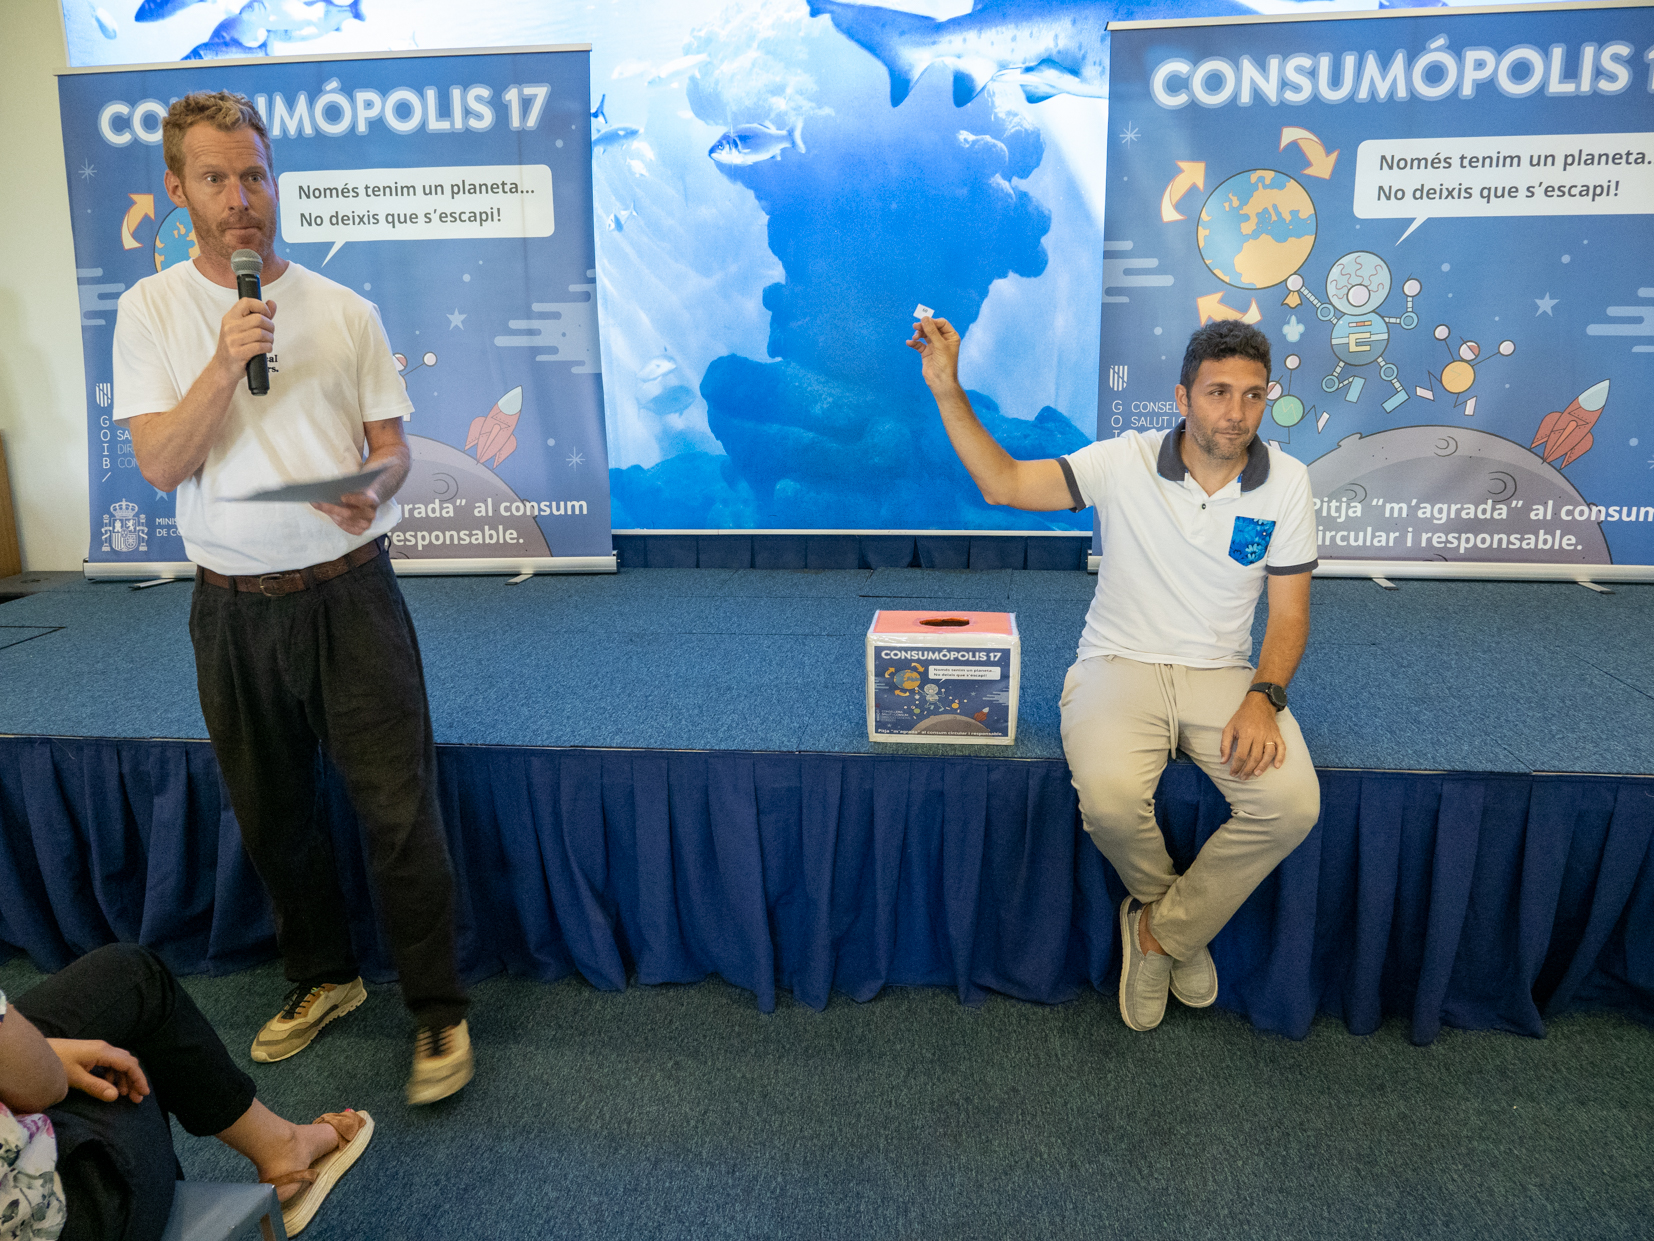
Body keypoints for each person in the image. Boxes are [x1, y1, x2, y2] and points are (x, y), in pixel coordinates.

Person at [114, 91, 472, 1103]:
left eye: (255, 176)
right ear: (177, 189)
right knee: (273, 815)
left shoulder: (344, 309)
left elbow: (392, 449)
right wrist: (226, 360)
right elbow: (160, 462)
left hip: (349, 597)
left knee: (397, 809)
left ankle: (439, 1009)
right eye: (216, 179)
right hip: (230, 608)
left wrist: (375, 487)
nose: (241, 199)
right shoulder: (150, 312)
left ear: (275, 182)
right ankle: (325, 975)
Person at [909, 316, 1321, 1032]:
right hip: (1116, 663)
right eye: (1218, 392)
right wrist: (947, 388)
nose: (1236, 412)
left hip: (1224, 673)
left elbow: (1288, 616)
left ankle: (1158, 934)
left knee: (1293, 805)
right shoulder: (1123, 460)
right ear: (1183, 397)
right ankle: (1177, 922)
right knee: (1108, 798)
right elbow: (1004, 483)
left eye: (1253, 395)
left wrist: (1264, 696)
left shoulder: (1287, 481)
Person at [0, 943, 371, 1240]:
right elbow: (43, 1085)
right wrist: (47, 1057)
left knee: (126, 978)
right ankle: (284, 1149)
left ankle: (278, 1145)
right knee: (120, 1052)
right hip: (65, 1217)